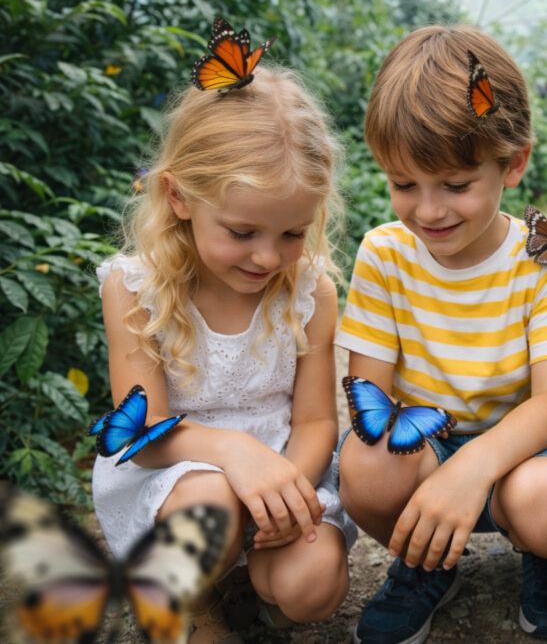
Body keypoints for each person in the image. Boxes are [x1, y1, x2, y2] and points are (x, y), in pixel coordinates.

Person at [336, 24, 547, 644]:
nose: (428, 210)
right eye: (404, 184)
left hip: (524, 457)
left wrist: (476, 465)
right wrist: (442, 470)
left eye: (456, 185)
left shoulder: (540, 260)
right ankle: (426, 560)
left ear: (513, 164)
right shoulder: (384, 254)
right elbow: (369, 399)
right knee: (365, 463)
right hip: (422, 448)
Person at [92, 65, 357, 643]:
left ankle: (256, 596)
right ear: (178, 196)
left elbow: (316, 420)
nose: (268, 258)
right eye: (242, 232)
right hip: (176, 473)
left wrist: (285, 491)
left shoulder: (310, 292)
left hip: (283, 465)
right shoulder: (135, 289)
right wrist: (233, 452)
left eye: (292, 234)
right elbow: (144, 432)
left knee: (314, 585)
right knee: (209, 509)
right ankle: (198, 604)